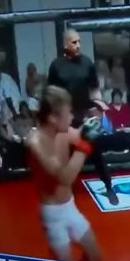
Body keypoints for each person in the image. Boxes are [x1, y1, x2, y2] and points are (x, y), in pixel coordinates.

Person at [25, 85, 102, 261]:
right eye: (68, 113)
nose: (72, 117)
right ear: (53, 118)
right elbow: (65, 178)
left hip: (70, 207)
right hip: (52, 215)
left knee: (95, 257)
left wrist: (91, 124)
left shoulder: (63, 131)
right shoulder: (35, 143)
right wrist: (84, 146)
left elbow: (80, 135)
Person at [47, 29, 119, 205]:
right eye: (74, 42)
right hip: (66, 118)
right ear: (65, 44)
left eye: (79, 41)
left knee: (96, 152)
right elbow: (51, 94)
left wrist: (98, 110)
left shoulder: (87, 62)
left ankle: (108, 186)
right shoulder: (56, 65)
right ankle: (67, 191)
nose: (78, 45)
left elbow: (94, 89)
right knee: (67, 156)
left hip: (84, 115)